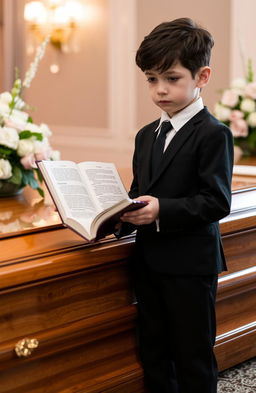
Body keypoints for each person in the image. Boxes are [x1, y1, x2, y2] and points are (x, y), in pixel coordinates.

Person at [118, 17, 234, 393]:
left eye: (172, 78)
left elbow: (215, 201)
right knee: (154, 351)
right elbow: (140, 191)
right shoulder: (145, 136)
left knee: (192, 355)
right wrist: (111, 216)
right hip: (149, 261)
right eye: (152, 79)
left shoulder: (214, 134)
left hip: (190, 265)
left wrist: (161, 210)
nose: (160, 90)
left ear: (202, 77)